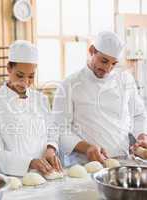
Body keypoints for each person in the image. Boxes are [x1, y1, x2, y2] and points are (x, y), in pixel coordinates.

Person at [52, 31, 147, 165]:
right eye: (104, 61)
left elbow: (139, 114)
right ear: (91, 51)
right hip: (85, 164)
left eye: (113, 64)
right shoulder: (69, 84)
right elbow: (60, 128)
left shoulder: (125, 80)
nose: (108, 68)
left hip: (122, 161)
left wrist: (142, 136)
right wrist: (87, 148)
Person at [0, 40, 62, 176]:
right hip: (11, 180)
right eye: (20, 75)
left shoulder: (41, 99)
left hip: (45, 176)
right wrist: (28, 163)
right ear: (9, 69)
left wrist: (51, 148)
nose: (25, 82)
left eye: (31, 76)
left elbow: (52, 131)